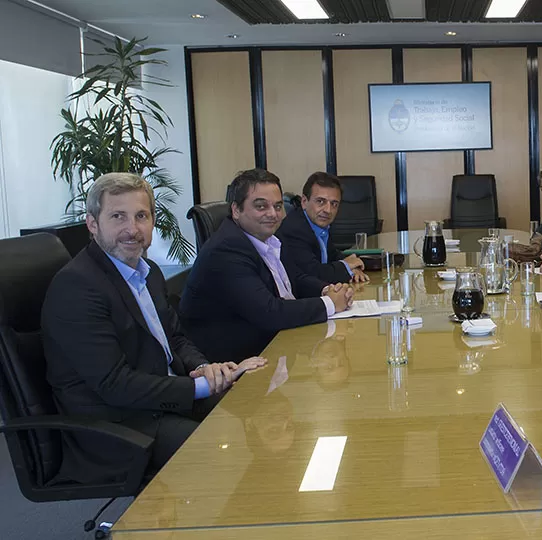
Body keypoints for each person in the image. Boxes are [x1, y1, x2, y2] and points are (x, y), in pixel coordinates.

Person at [42, 173, 266, 484]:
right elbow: (114, 384)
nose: (132, 229)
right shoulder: (77, 287)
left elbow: (174, 337)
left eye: (141, 216)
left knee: (258, 409)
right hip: (118, 423)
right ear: (92, 224)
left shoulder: (148, 272)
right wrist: (201, 387)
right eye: (118, 216)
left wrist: (204, 368)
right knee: (224, 450)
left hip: (158, 401)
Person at [180, 168, 354, 364]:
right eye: (261, 206)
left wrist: (326, 290)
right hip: (235, 366)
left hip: (276, 348)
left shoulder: (270, 237)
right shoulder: (227, 249)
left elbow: (295, 278)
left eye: (278, 206)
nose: (273, 214)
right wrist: (330, 303)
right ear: (236, 210)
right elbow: (269, 312)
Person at [277, 171, 368, 285]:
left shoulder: (319, 226)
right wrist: (347, 266)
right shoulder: (295, 230)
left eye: (334, 204)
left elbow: (333, 255)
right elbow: (314, 273)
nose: (328, 210)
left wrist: (355, 266)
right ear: (304, 202)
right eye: (320, 201)